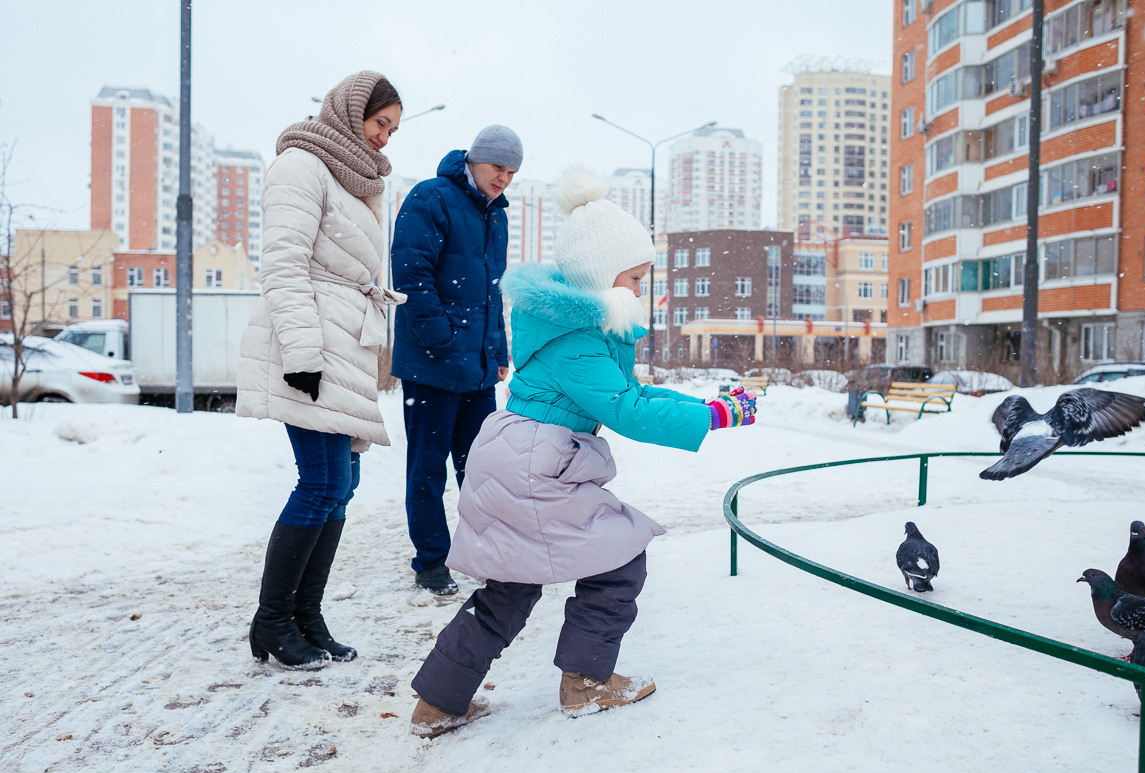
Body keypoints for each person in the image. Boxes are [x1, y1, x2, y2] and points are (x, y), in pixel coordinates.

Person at [408, 166, 757, 737]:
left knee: (511, 586)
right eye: (635, 277)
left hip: (520, 455)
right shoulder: (576, 339)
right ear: (603, 275)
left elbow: (632, 392)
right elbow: (628, 411)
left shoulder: (575, 326)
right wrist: (715, 418)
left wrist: (708, 404)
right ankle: (586, 683)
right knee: (618, 557)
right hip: (534, 463)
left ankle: (439, 702)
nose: (642, 290)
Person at [236, 70, 406, 670]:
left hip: (345, 347)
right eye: (379, 123)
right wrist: (303, 355)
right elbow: (283, 266)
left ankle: (305, 617)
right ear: (350, 111)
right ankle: (272, 623)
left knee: (341, 485)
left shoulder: (357, 180)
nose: (385, 138)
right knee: (321, 484)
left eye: (391, 128)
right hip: (308, 346)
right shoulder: (302, 165)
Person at [390, 124, 523, 596]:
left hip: (478, 368)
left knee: (481, 468)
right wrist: (443, 342)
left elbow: (492, 293)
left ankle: (483, 552)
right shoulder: (432, 198)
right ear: (474, 160)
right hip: (432, 364)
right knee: (428, 467)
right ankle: (430, 561)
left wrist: (498, 350)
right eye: (497, 168)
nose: (504, 178)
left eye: (512, 171)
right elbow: (411, 276)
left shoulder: (497, 216)